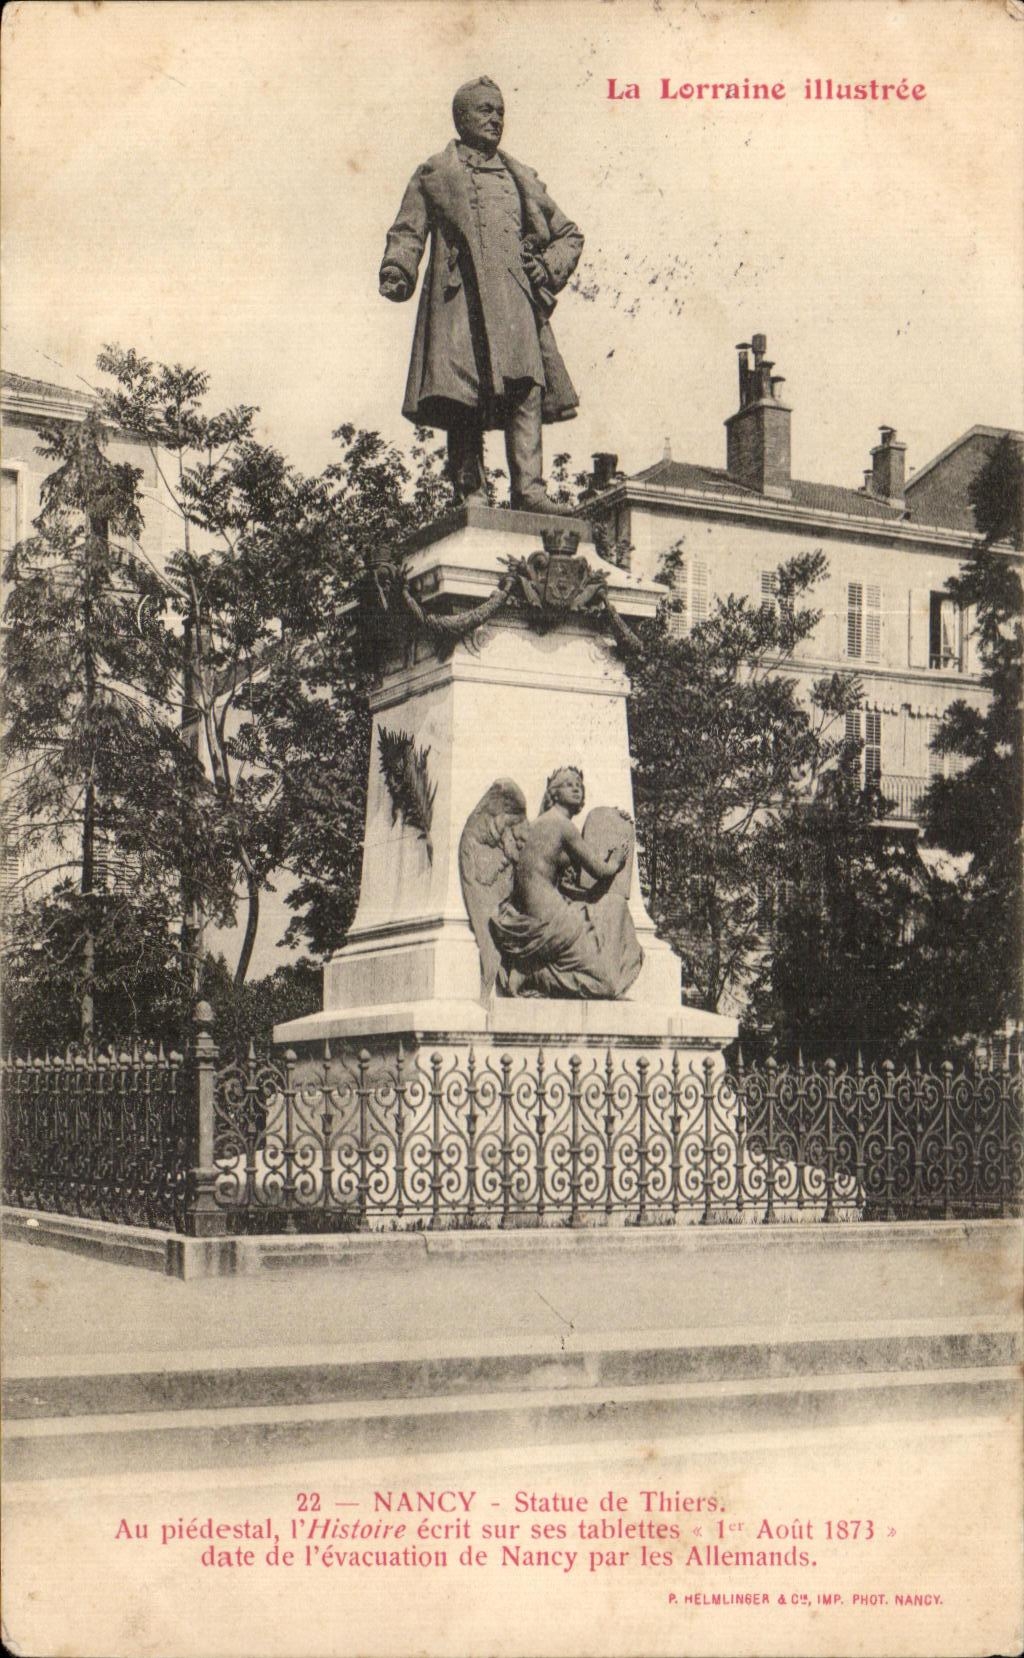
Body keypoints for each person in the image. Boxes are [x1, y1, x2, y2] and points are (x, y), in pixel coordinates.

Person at [379, 77, 584, 515]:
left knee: (527, 387)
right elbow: (408, 228)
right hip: (460, 302)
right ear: (462, 118)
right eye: (485, 111)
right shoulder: (435, 173)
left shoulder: (521, 176)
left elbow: (568, 234)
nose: (495, 119)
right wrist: (398, 268)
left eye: (500, 111)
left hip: (515, 299)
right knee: (462, 395)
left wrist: (547, 267)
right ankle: (470, 490)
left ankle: (529, 489)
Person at [491, 767, 643, 998]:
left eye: (579, 785)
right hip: (555, 919)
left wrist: (613, 821)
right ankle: (532, 975)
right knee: (606, 983)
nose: (576, 788)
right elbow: (600, 870)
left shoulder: (539, 824)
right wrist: (617, 858)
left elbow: (563, 880)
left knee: (602, 966)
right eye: (568, 784)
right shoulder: (562, 825)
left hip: (540, 915)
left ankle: (531, 972)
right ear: (553, 793)